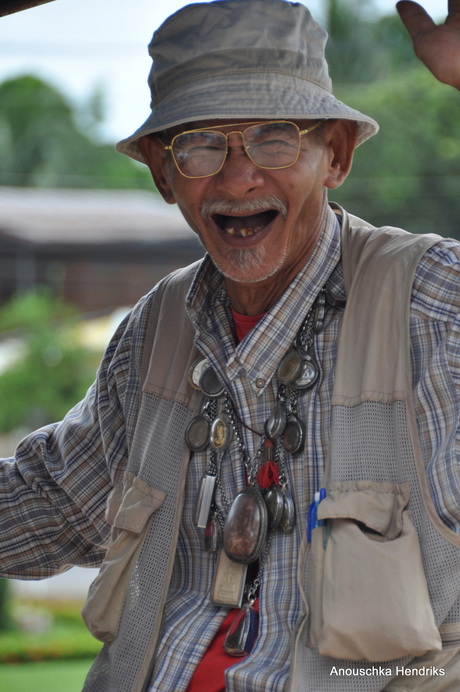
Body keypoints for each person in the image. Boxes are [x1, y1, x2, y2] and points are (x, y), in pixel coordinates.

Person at [1, 1, 459, 690]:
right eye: (200, 145)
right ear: (162, 173)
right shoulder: (154, 332)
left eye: (275, 138)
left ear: (334, 154)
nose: (239, 176)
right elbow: (42, 510)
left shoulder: (435, 304)